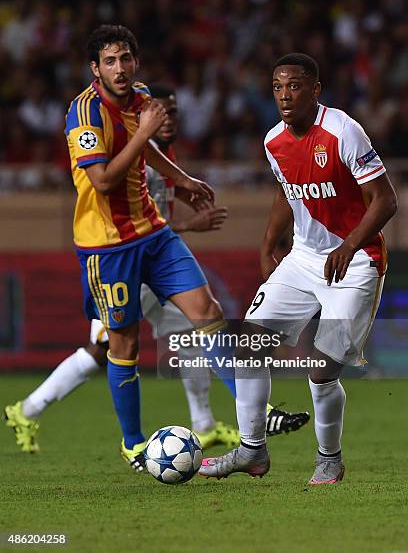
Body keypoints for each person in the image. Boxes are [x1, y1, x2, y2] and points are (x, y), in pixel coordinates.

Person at [5, 84, 310, 464]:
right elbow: (113, 194)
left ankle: (215, 421)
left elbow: (155, 208)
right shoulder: (123, 140)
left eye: (171, 112)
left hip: (153, 248)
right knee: (109, 350)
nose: (165, 118)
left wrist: (183, 189)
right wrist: (191, 225)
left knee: (201, 324)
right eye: (159, 111)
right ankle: (29, 410)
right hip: (117, 255)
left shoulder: (163, 155)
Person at [199, 53, 397, 484]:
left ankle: (329, 458)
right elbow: (287, 188)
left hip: (358, 261)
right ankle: (252, 451)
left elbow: (386, 200)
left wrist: (348, 246)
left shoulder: (343, 131)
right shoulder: (273, 140)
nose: (285, 95)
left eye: (294, 86)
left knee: (321, 370)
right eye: (277, 86)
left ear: (315, 90)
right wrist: (270, 239)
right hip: (304, 258)